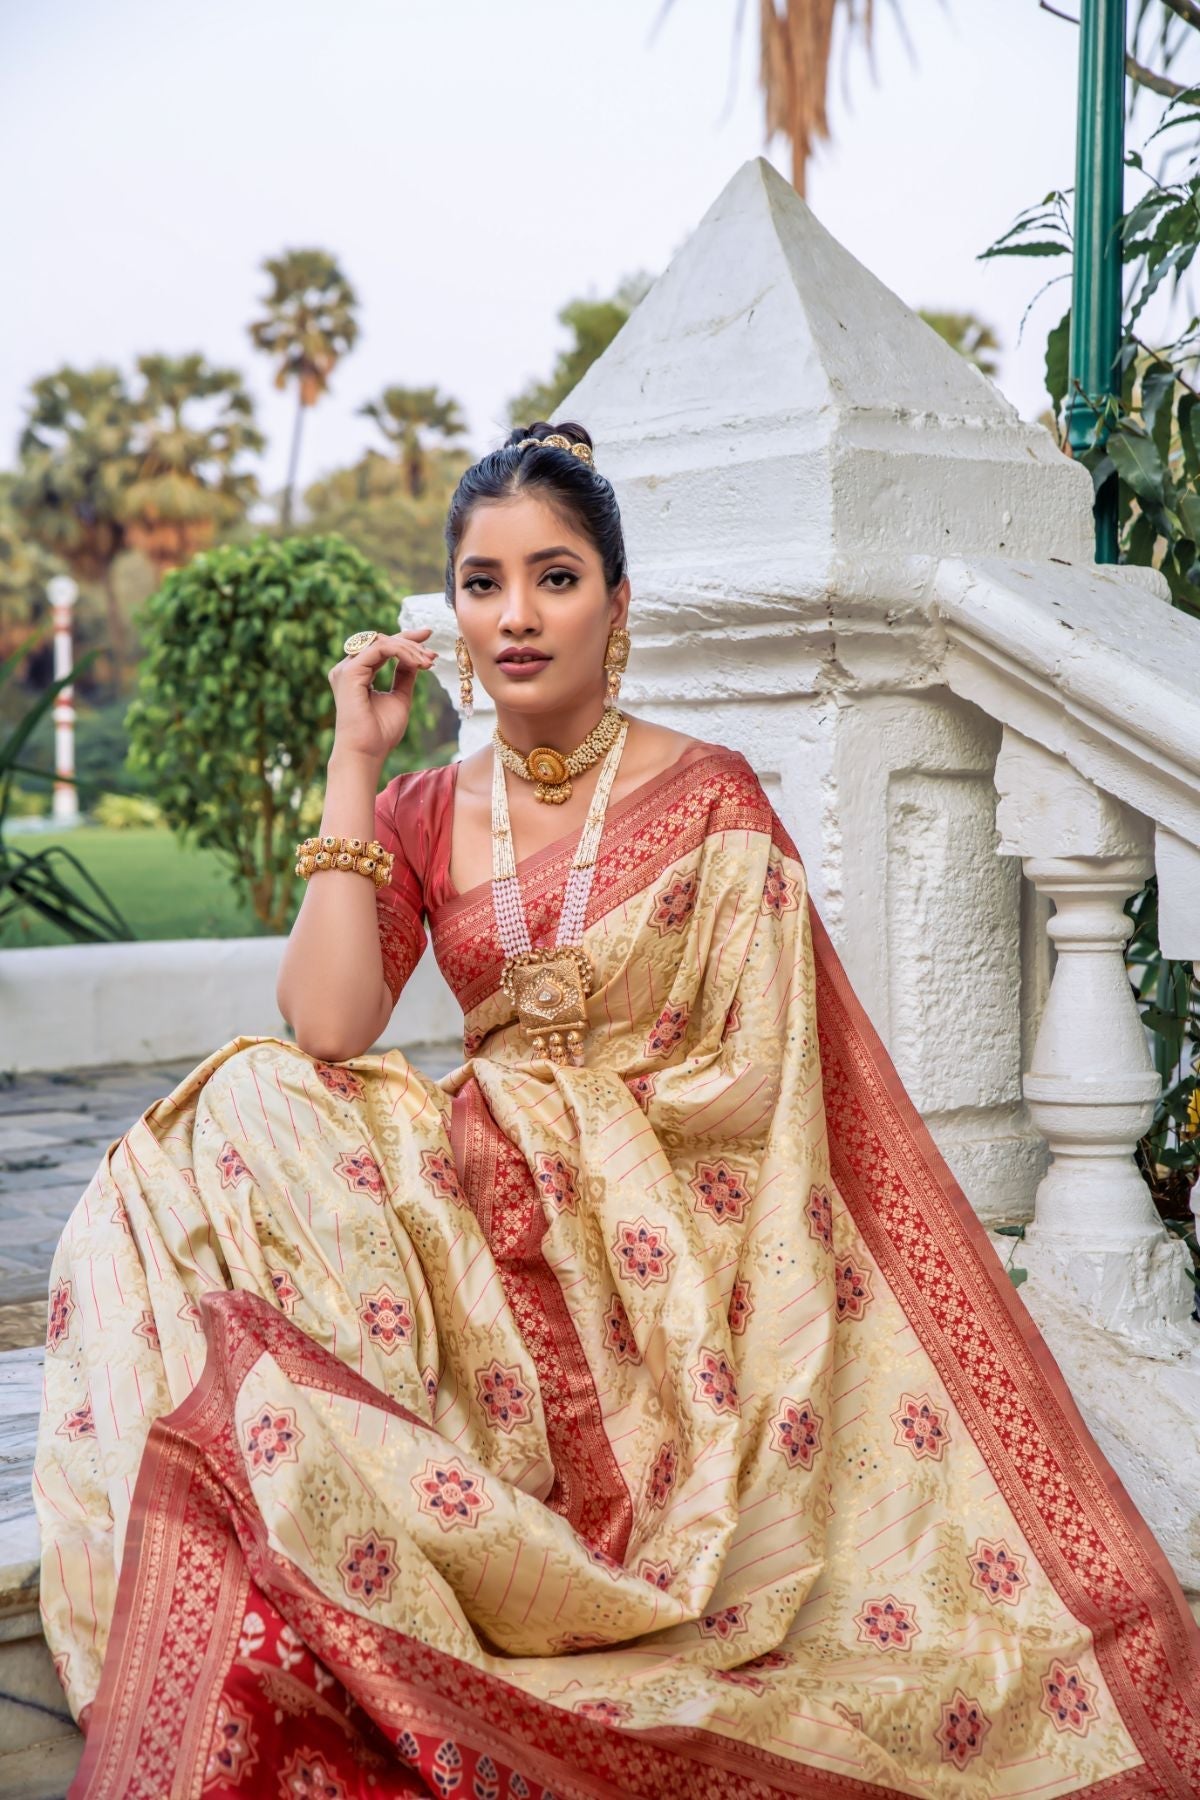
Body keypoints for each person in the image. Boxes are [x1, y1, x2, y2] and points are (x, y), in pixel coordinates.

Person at [36, 421, 1200, 1799]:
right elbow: (330, 1028)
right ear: (453, 610)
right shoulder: (417, 807)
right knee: (221, 1117)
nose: (515, 615)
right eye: (482, 582)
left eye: (555, 577)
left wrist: (581, 1139)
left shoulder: (708, 795)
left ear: (619, 604)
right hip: (485, 1190)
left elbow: (764, 1080)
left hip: (673, 1226)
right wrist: (355, 763)